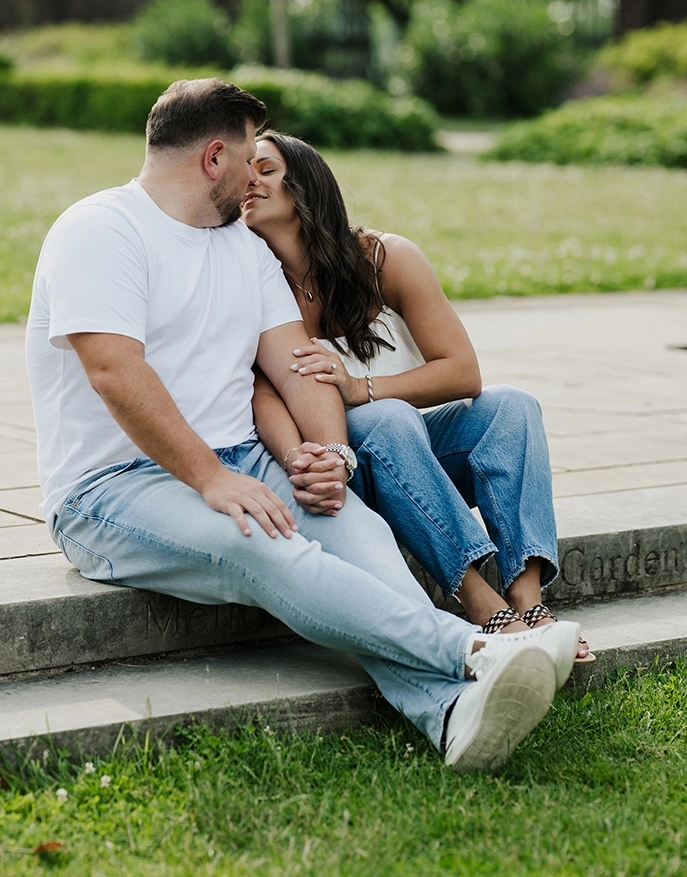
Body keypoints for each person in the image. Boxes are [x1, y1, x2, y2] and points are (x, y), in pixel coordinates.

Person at [25, 76, 579, 771]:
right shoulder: (100, 228)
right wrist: (210, 478)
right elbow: (114, 371)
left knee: (368, 548)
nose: (255, 177)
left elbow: (299, 368)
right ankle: (476, 649)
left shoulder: (243, 249)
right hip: (109, 490)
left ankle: (451, 716)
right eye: (251, 155)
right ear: (214, 157)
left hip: (248, 466)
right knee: (263, 547)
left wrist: (329, 456)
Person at [241, 130, 586, 668]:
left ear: (305, 183)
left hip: (411, 463)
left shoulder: (383, 258)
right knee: (389, 419)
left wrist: (360, 389)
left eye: (264, 169)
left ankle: (529, 601)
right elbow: (260, 393)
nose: (249, 182)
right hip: (344, 471)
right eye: (244, 173)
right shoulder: (252, 282)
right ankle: (480, 602)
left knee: (513, 407)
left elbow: (463, 372)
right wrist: (300, 461)